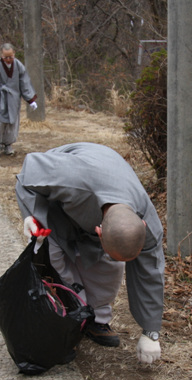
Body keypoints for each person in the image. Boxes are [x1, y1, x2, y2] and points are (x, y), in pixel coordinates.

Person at [15, 142, 164, 364]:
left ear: (143, 225)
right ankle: (72, 317)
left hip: (90, 205)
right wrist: (29, 214)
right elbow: (30, 171)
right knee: (54, 261)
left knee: (107, 268)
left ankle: (95, 319)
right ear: (99, 231)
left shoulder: (148, 225)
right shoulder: (71, 177)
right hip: (57, 198)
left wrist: (151, 332)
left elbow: (150, 273)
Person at [0, 43, 37, 157]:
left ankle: (8, 144)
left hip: (14, 99)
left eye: (10, 57)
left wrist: (31, 100)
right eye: (5, 57)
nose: (8, 59)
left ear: (14, 54)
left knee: (12, 122)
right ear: (1, 55)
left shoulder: (18, 65)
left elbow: (24, 83)